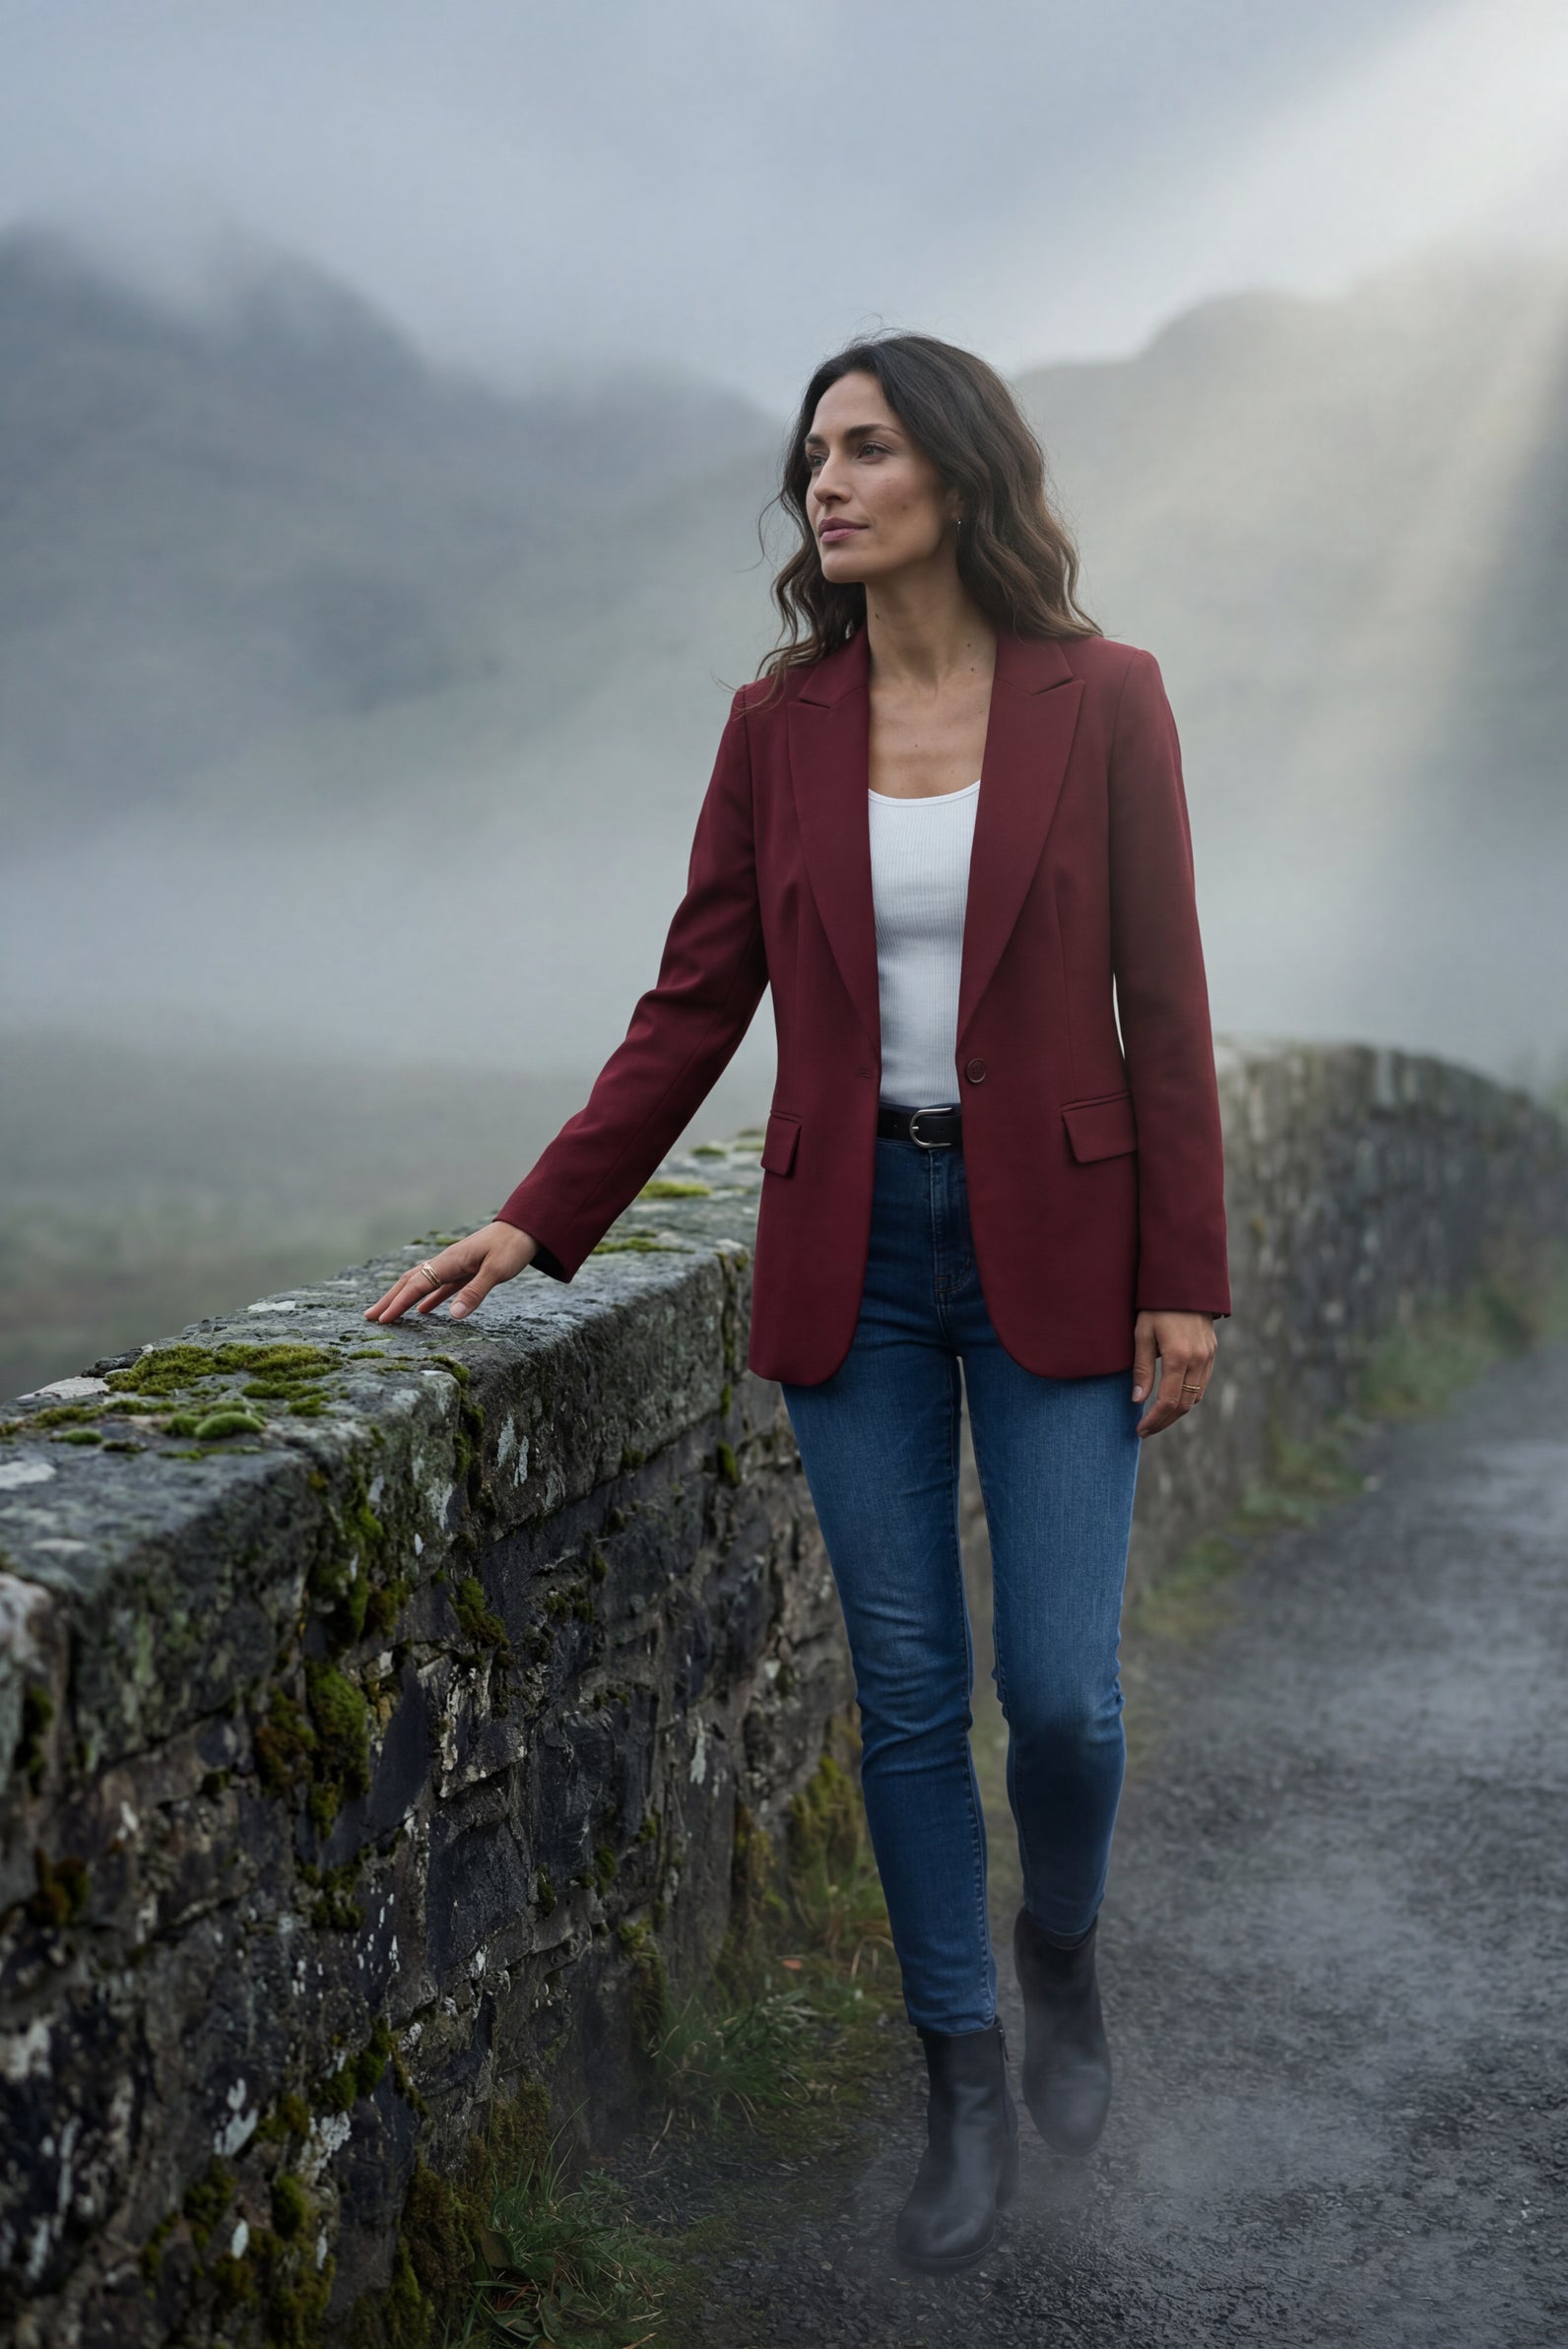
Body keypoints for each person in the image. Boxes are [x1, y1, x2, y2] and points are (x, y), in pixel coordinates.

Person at [364, 331, 1230, 2275]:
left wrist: (1187, 1271)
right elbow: (693, 1002)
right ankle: (954, 2087)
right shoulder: (776, 728)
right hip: (854, 1247)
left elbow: (1162, 1001)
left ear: (957, 474)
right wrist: (536, 1219)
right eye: (810, 454)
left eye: (864, 447)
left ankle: (1058, 1958)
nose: (822, 482)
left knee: (1060, 1700)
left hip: (1064, 1253)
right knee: (907, 1694)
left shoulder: (1106, 703)